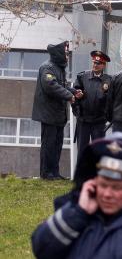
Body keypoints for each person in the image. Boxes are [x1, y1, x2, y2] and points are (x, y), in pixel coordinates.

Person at [32, 41, 77, 180]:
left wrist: (74, 91)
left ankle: (55, 173)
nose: (67, 56)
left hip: (57, 115)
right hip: (48, 114)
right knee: (49, 145)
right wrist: (69, 95)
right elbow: (50, 86)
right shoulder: (47, 67)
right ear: (59, 54)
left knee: (57, 145)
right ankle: (46, 173)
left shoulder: (59, 68)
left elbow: (61, 86)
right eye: (66, 53)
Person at [72, 51, 112, 158]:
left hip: (99, 121)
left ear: (103, 65)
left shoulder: (109, 80)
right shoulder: (82, 77)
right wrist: (77, 96)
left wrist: (108, 116)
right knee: (82, 150)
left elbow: (111, 100)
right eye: (94, 62)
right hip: (83, 120)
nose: (95, 65)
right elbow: (74, 93)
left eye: (98, 63)